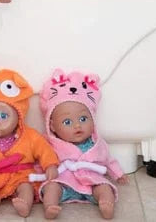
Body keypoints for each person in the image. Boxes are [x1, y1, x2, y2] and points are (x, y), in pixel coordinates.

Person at [0, 69, 59, 217]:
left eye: (3, 115)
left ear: (19, 115)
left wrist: (50, 165)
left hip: (19, 175)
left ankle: (25, 205)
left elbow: (44, 150)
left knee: (26, 186)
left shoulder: (30, 136)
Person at [39, 69, 128, 220]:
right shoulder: (51, 144)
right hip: (63, 181)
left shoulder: (96, 144)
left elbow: (108, 160)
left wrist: (118, 173)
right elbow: (42, 159)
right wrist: (45, 170)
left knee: (105, 187)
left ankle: (106, 203)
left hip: (92, 181)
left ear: (92, 118)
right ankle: (50, 206)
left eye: (83, 119)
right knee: (51, 188)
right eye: (67, 122)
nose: (77, 126)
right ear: (52, 126)